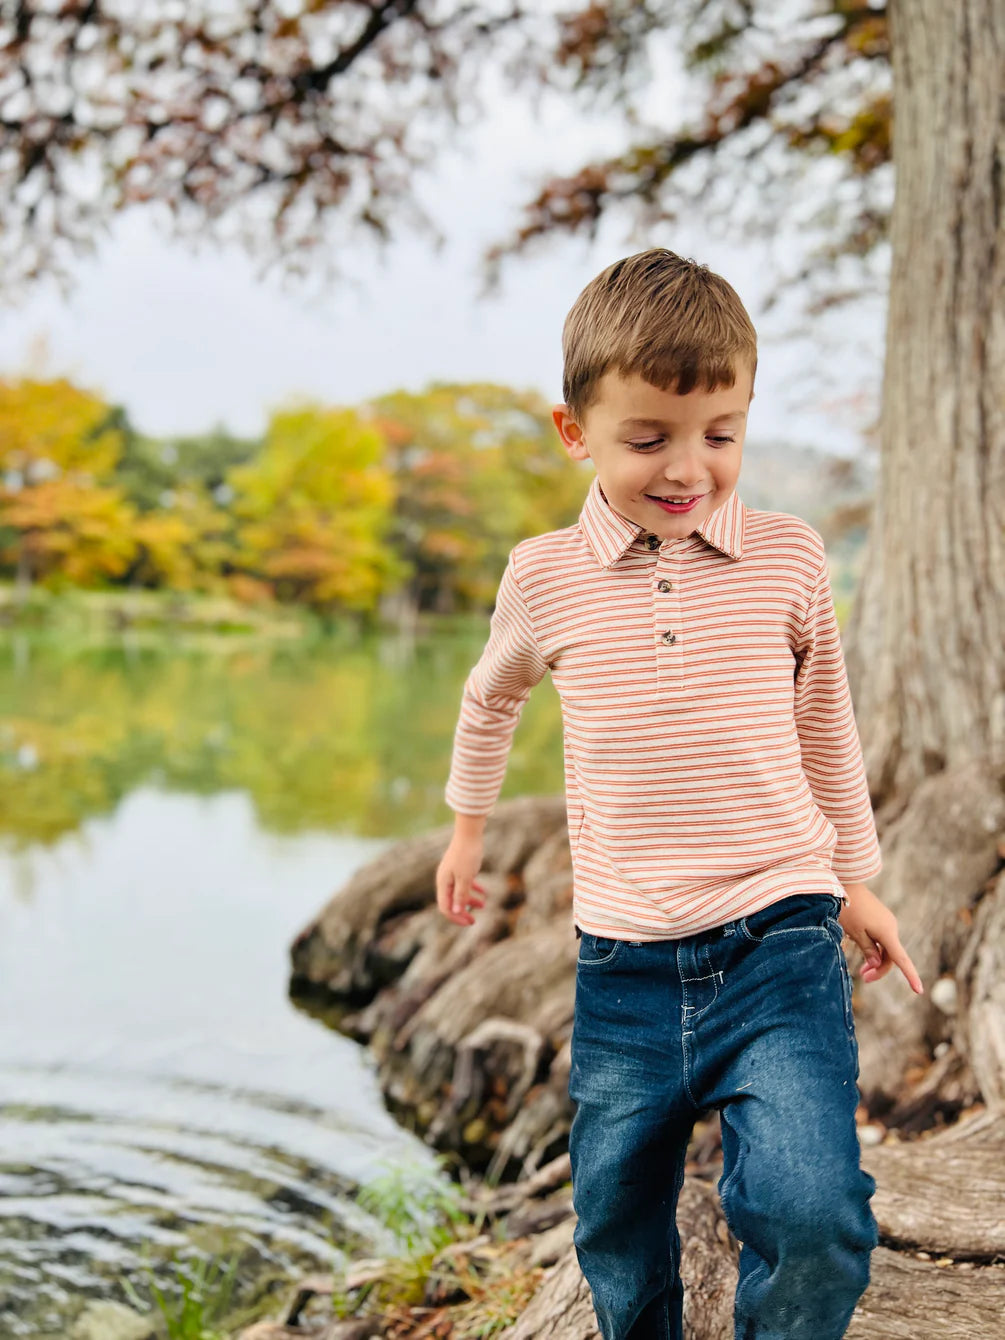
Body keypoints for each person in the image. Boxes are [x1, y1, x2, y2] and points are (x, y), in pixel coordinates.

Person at [434, 247, 923, 1340]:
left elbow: (825, 726)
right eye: (649, 437)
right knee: (613, 1219)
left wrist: (859, 881)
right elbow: (487, 699)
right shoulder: (543, 573)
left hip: (780, 943)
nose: (688, 467)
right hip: (624, 964)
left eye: (722, 433)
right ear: (577, 430)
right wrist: (466, 832)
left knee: (813, 1211)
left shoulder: (790, 559)